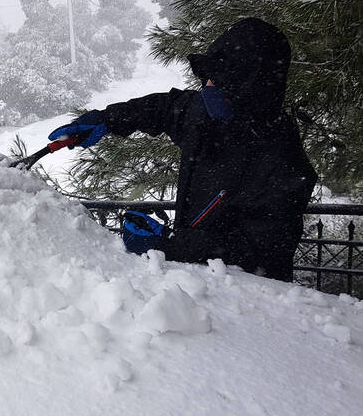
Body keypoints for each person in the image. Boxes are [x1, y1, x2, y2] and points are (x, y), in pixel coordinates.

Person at [48, 18, 317, 282]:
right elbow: (161, 108)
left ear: (252, 89)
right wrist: (106, 120)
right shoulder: (206, 116)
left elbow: (260, 254)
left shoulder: (284, 164)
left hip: (250, 305)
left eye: (220, 80)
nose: (208, 86)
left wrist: (170, 244)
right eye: (210, 76)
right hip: (193, 285)